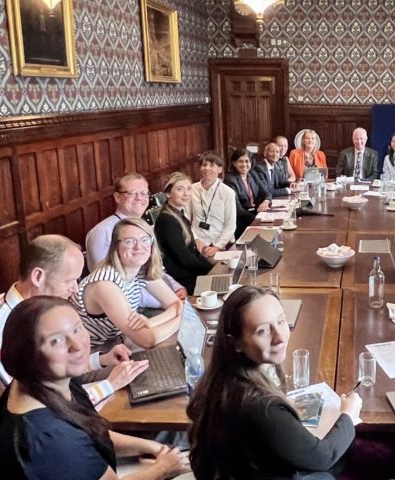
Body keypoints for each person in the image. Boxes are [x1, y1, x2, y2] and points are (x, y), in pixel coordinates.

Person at [0, 235, 147, 448]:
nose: (76, 288)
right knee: (139, 415)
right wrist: (110, 385)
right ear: (38, 276)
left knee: (141, 389)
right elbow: (39, 411)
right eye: (69, 280)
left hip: (44, 423)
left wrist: (101, 360)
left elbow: (49, 371)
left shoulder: (31, 311)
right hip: (9, 447)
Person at [0, 296, 190, 480]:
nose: (77, 345)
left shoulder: (45, 381)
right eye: (55, 341)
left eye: (77, 329)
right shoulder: (50, 439)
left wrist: (152, 447)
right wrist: (163, 468)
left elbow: (90, 431)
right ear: (27, 354)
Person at [188, 286, 363, 479]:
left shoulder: (222, 378)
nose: (280, 337)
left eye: (280, 321)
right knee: (335, 463)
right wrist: (348, 414)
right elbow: (323, 457)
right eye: (262, 331)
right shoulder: (261, 407)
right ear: (235, 342)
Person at [74, 218, 183, 352]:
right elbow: (147, 339)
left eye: (145, 240)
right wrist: (181, 319)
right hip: (91, 354)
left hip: (117, 342)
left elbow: (177, 304)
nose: (139, 247)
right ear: (116, 247)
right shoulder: (105, 284)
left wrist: (151, 322)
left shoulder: (141, 269)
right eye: (129, 241)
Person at [84, 173, 187, 308]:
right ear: (117, 197)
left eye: (144, 193)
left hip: (162, 297)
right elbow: (113, 287)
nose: (140, 198)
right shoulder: (103, 232)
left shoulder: (140, 227)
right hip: (130, 310)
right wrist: (164, 302)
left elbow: (153, 268)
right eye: (132, 193)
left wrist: (175, 287)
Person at [153, 172, 215, 294]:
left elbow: (192, 252)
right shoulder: (167, 220)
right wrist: (210, 271)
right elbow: (184, 258)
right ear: (168, 193)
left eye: (188, 189)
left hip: (189, 272)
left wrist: (211, 268)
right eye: (180, 189)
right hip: (182, 279)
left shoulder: (178, 214)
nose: (186, 194)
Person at [190, 151, 237, 253]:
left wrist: (217, 247)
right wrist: (196, 240)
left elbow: (230, 225)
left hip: (222, 243)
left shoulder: (228, 192)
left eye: (212, 165)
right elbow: (185, 219)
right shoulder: (191, 189)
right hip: (197, 241)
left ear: (220, 169)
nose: (207, 168)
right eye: (204, 165)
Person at [225, 148, 271, 237]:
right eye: (240, 161)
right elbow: (238, 209)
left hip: (257, 215)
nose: (244, 164)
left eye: (247, 161)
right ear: (234, 163)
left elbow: (267, 193)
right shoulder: (230, 180)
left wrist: (266, 201)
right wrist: (258, 219)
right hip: (242, 222)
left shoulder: (252, 174)